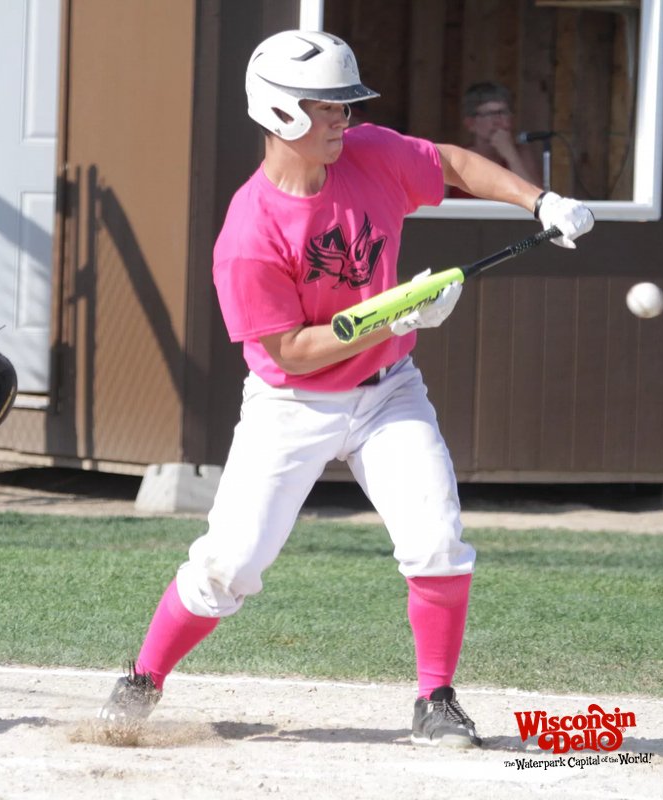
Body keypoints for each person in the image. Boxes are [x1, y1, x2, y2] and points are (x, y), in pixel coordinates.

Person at [97, 31, 594, 748]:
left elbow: (450, 163)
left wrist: (538, 200)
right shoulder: (249, 232)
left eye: (345, 106)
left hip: (389, 390)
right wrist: (393, 311)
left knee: (436, 540)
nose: (342, 120)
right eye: (327, 106)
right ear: (280, 113)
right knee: (229, 564)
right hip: (291, 406)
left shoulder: (369, 155)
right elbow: (292, 353)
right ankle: (142, 679)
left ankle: (437, 699)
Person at [453, 81, 541, 195]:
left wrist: (511, 156)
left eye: (503, 113)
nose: (498, 121)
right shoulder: (455, 159)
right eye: (489, 114)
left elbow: (537, 200)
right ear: (470, 124)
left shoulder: (521, 154)